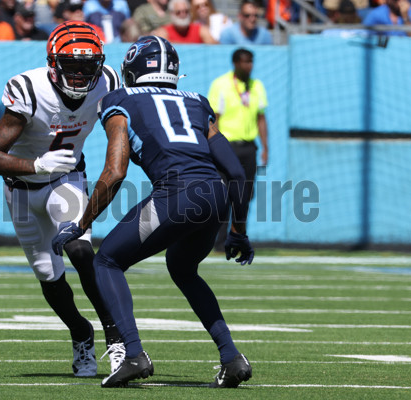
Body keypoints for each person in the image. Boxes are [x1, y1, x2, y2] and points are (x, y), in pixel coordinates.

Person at [52, 36, 254, 388]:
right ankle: (231, 356)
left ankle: (133, 353)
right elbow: (236, 172)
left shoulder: (119, 100)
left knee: (106, 261)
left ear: (132, 69)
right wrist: (239, 230)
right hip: (215, 195)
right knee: (183, 267)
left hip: (176, 195)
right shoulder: (197, 102)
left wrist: (81, 223)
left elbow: (115, 172)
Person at [0, 21, 125, 378]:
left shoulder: (107, 81)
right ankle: (81, 332)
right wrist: (35, 163)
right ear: (52, 62)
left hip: (66, 179)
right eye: (71, 65)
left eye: (87, 65)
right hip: (21, 188)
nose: (79, 74)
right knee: (48, 274)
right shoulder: (29, 89)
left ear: (99, 64)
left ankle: (116, 336)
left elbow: (117, 131)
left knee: (79, 248)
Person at [207, 48, 268, 252]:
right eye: (244, 62)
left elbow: (261, 117)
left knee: (244, 196)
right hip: (227, 147)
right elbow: (214, 119)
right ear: (235, 63)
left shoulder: (256, 85)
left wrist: (265, 147)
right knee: (223, 195)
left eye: (250, 62)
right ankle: (218, 241)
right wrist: (212, 147)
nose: (248, 66)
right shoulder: (221, 84)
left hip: (249, 148)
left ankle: (239, 237)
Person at [151, 0, 217, 43]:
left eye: (186, 11)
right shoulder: (163, 32)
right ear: (172, 13)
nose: (183, 14)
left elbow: (215, 47)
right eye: (178, 12)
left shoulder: (200, 30)